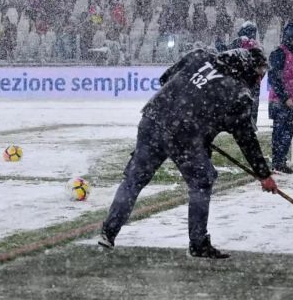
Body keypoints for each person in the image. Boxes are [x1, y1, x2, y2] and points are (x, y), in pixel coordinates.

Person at [99, 47, 278, 259]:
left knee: (134, 180)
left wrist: (190, 111)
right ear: (248, 68)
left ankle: (108, 232)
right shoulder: (238, 93)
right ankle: (198, 243)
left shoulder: (200, 56)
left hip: (153, 119)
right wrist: (263, 174)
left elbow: (165, 78)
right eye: (259, 75)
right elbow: (246, 139)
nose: (259, 82)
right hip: (183, 136)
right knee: (202, 182)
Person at [267, 22, 293, 173]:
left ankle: (281, 161)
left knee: (288, 132)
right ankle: (277, 162)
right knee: (279, 132)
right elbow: (274, 79)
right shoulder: (278, 53)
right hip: (278, 101)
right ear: (289, 36)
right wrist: (285, 98)